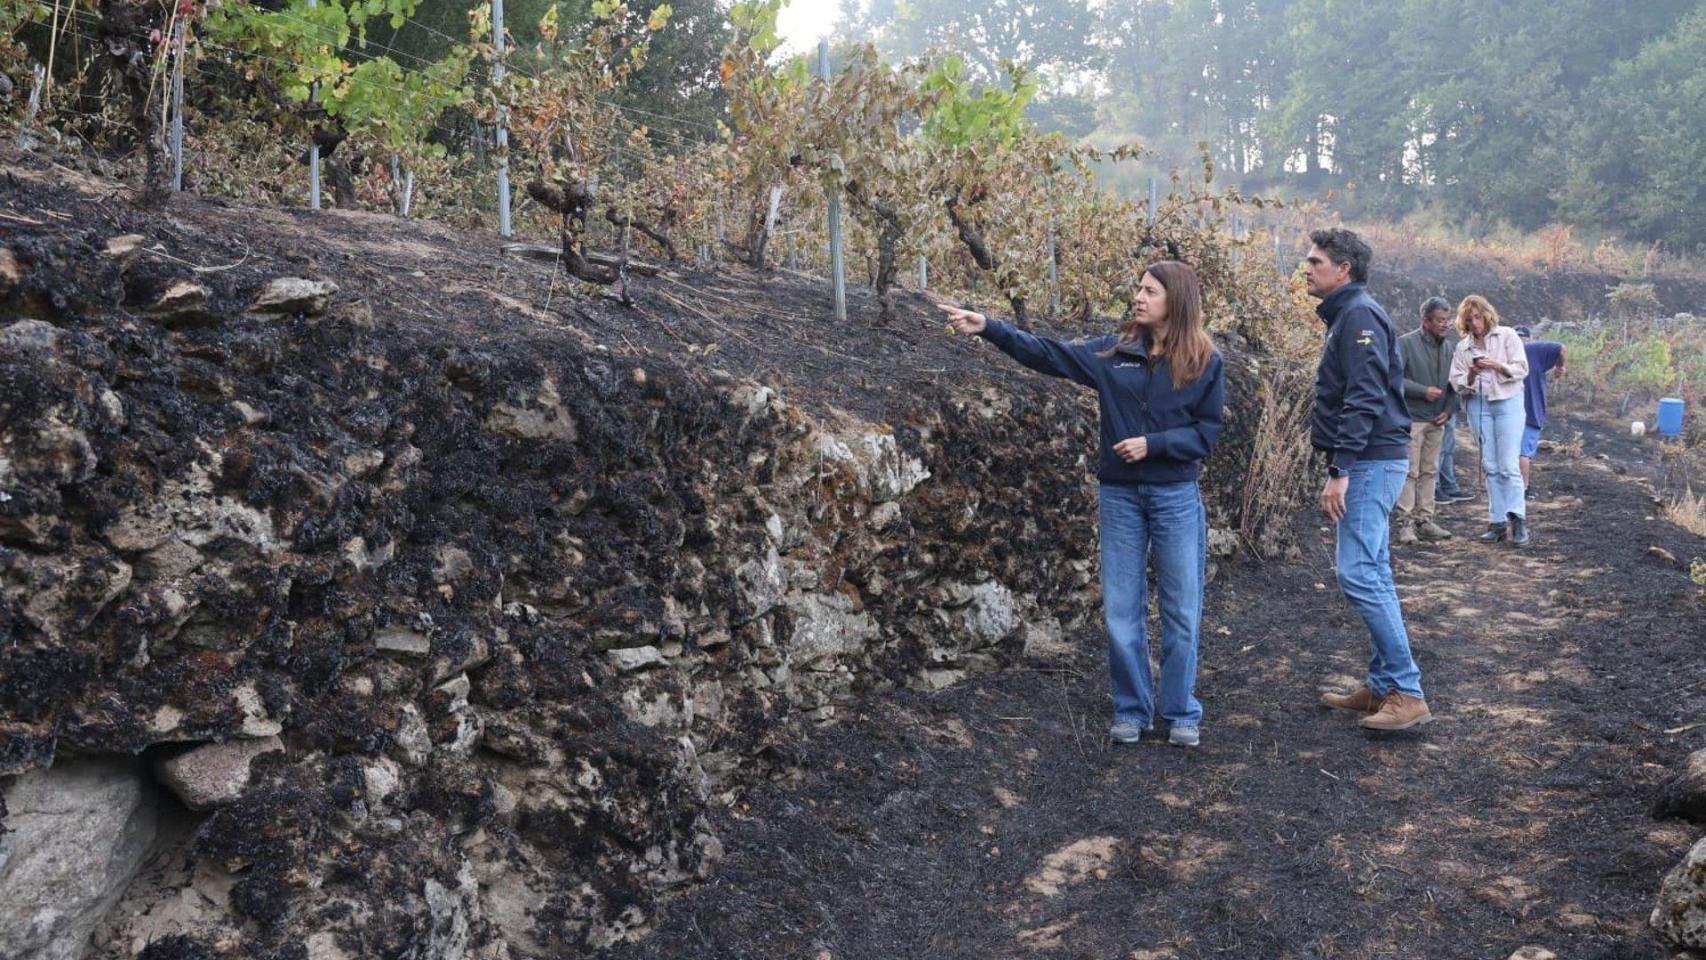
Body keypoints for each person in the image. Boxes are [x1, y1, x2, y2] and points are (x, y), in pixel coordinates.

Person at [938, 261, 1224, 749]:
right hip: (1120, 497)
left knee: (1181, 610)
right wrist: (989, 327)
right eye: (1139, 288)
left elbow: (1207, 433)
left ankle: (1180, 711)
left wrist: (1154, 445)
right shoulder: (1114, 352)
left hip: (1175, 497)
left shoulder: (1204, 361)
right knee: (1121, 609)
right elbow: (1049, 354)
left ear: (1176, 300)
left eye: (1150, 291)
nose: (1138, 297)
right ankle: (1131, 709)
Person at [1305, 228, 1432, 732]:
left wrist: (1341, 469)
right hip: (1372, 460)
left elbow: (1364, 396)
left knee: (1358, 574)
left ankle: (1407, 691)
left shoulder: (1359, 316)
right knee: (1373, 572)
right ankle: (1382, 686)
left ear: (1344, 269)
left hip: (1370, 462)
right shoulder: (1350, 315)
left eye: (1316, 261)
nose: (1306, 268)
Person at [1450, 296, 1530, 545]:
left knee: (1508, 464)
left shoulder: (1507, 335)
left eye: (1478, 317)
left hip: (1507, 401)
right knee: (1490, 464)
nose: (1475, 323)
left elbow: (1521, 368)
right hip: (1478, 403)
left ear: (1487, 315)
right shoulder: (1463, 347)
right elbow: (1456, 382)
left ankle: (1518, 519)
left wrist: (1497, 366)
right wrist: (1472, 374)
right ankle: (1497, 522)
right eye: (1469, 319)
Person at [1392, 296, 1459, 544]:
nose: (1445, 324)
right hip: (1411, 418)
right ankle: (1405, 523)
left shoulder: (1448, 347)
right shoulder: (1405, 343)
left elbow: (1455, 383)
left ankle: (1425, 520)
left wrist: (1449, 410)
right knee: (1410, 471)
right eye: (1440, 320)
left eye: (1447, 320)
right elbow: (1393, 379)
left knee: (1430, 471)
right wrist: (1422, 391)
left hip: (1437, 420)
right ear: (1425, 320)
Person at [1514, 324, 1567, 491]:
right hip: (1530, 411)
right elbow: (1561, 348)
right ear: (1529, 338)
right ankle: (1522, 489)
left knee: (1511, 453)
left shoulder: (1508, 351)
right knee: (1523, 453)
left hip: (1508, 411)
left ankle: (1512, 489)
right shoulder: (1534, 349)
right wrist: (1560, 367)